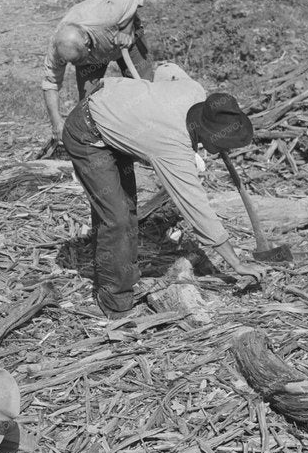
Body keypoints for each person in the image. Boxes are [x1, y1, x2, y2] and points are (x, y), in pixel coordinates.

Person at [62, 63, 258, 315]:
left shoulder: (195, 92)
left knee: (125, 209)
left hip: (113, 115)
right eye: (223, 144)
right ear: (207, 135)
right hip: (86, 135)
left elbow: (166, 70)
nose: (226, 152)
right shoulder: (171, 147)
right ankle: (114, 303)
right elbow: (196, 209)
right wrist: (237, 263)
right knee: (118, 218)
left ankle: (118, 273)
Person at [41, 0, 155, 142]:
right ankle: (100, 143)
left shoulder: (107, 16)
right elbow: (50, 84)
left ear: (86, 43)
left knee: (144, 91)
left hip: (127, 44)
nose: (76, 65)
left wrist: (125, 30)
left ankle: (148, 138)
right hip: (93, 57)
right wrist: (56, 123)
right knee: (88, 104)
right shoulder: (58, 47)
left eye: (78, 60)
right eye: (73, 62)